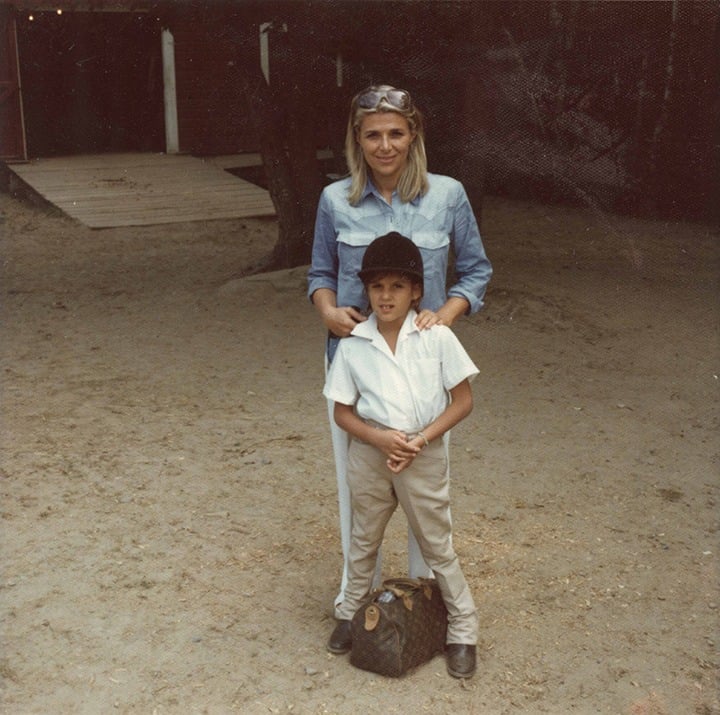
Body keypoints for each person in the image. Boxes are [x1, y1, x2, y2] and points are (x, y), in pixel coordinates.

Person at [307, 84, 492, 616]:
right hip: (356, 358)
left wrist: (446, 314)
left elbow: (476, 270)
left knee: (425, 480)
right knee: (360, 490)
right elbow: (320, 271)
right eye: (372, 135)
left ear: (413, 137)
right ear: (357, 141)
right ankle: (356, 598)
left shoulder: (447, 195)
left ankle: (422, 592)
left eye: (395, 133)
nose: (384, 146)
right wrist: (326, 309)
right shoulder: (334, 200)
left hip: (421, 361)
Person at [323, 232, 479, 678]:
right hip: (372, 453)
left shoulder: (436, 338)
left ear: (415, 291)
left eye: (396, 286)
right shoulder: (354, 345)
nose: (385, 296)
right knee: (363, 537)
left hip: (420, 453)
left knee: (436, 544)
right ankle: (350, 612)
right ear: (367, 291)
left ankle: (463, 630)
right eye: (376, 287)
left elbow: (462, 402)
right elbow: (342, 413)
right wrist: (379, 439)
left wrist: (420, 440)